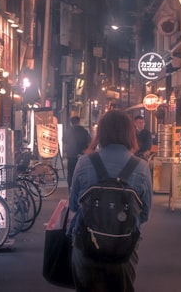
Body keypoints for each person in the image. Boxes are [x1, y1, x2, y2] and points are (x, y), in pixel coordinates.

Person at [68, 110, 153, 292]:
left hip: (87, 244)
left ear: (101, 133)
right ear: (130, 134)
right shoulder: (141, 167)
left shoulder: (84, 163)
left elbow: (74, 205)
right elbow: (145, 214)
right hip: (124, 247)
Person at [63, 115, 91, 182]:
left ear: (71, 122)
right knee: (81, 172)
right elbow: (89, 140)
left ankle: (71, 188)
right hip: (81, 154)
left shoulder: (68, 131)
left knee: (70, 173)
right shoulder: (83, 131)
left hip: (71, 154)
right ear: (79, 122)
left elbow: (64, 140)